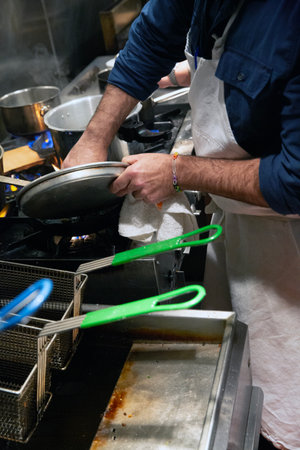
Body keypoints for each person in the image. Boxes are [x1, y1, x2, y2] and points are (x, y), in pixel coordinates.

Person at [62, 1, 300, 449]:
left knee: (289, 397)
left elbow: (295, 180)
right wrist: (93, 140)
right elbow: (153, 37)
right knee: (248, 383)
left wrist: (180, 171)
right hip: (241, 220)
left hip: (290, 238)